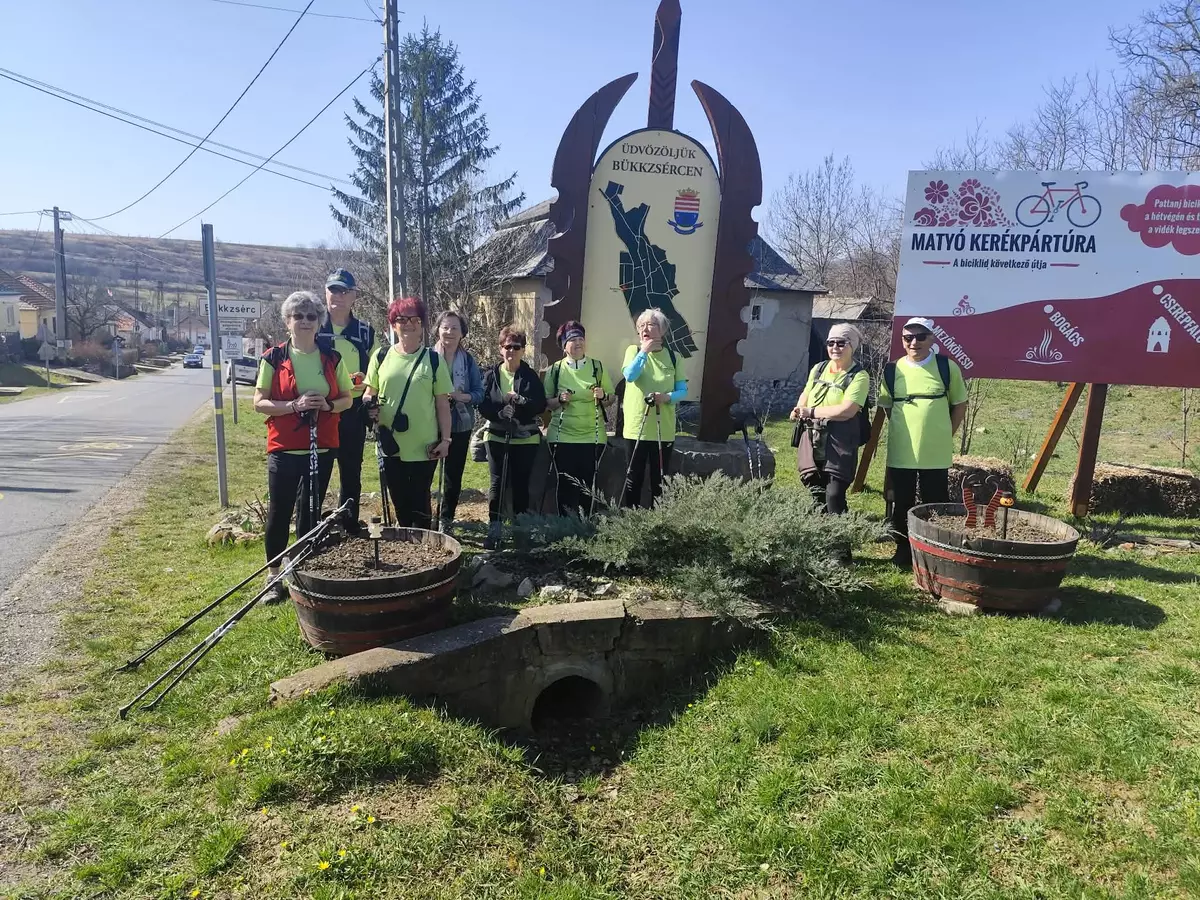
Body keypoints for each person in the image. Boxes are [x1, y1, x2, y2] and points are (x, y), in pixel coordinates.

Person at [253, 290, 353, 599]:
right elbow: (259, 402)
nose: (305, 321)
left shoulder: (332, 358)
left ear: (319, 322)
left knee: (310, 512)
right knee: (279, 512)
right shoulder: (273, 357)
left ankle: (301, 570)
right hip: (284, 447)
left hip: (320, 447)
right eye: (298, 316)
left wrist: (327, 405)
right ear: (287, 321)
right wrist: (293, 406)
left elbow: (347, 399)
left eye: (311, 316)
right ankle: (273, 577)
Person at [878, 316, 969, 568]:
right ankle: (903, 551)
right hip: (902, 450)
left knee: (936, 501)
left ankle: (935, 550)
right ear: (902, 340)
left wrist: (945, 433)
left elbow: (959, 404)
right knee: (902, 502)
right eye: (908, 338)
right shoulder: (892, 370)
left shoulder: (947, 367)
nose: (914, 342)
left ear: (932, 339)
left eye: (920, 337)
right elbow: (887, 406)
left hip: (935, 452)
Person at [362, 297, 453, 529]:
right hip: (390, 443)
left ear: (422, 325)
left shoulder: (434, 360)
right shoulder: (380, 356)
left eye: (415, 319)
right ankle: (405, 544)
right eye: (402, 319)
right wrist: (369, 404)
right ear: (393, 325)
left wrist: (446, 440)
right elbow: (369, 392)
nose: (409, 324)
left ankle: (424, 545)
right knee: (399, 501)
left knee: (420, 502)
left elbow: (442, 404)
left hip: (424, 445)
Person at [316, 268, 375, 534]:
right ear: (325, 292)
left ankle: (349, 526)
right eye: (333, 290)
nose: (338, 296)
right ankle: (310, 529)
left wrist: (367, 384)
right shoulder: (313, 326)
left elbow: (378, 369)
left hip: (353, 410)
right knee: (318, 471)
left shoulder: (365, 331)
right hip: (321, 411)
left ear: (354, 296)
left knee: (351, 472)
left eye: (344, 291)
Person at [791, 323, 870, 515]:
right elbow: (806, 393)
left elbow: (847, 410)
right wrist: (799, 409)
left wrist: (811, 412)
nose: (835, 347)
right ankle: (820, 530)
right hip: (812, 436)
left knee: (834, 493)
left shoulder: (859, 376)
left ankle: (839, 531)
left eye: (841, 343)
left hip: (839, 440)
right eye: (831, 342)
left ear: (852, 346)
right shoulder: (819, 368)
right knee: (815, 489)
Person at [479, 325, 547, 549]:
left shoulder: (530, 376)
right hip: (496, 436)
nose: (511, 351)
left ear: (523, 350)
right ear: (500, 349)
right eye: (507, 346)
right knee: (497, 484)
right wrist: (499, 412)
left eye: (516, 347)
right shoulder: (491, 375)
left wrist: (521, 400)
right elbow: (482, 403)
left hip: (525, 439)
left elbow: (540, 404)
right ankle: (494, 531)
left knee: (520, 485)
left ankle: (520, 533)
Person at [543, 320, 615, 517]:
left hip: (593, 436)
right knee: (565, 484)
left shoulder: (597, 367)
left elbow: (611, 398)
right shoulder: (555, 370)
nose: (578, 343)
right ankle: (565, 526)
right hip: (562, 436)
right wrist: (559, 399)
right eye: (572, 339)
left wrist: (603, 396)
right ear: (564, 345)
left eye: (581, 339)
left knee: (588, 485)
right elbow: (546, 403)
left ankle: (586, 527)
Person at [620, 308, 686, 508]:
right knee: (633, 479)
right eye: (641, 325)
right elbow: (630, 376)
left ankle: (657, 521)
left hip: (663, 430)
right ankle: (629, 520)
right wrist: (644, 352)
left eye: (651, 324)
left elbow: (682, 391)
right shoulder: (633, 351)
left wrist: (666, 397)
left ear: (662, 330)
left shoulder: (674, 357)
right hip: (636, 428)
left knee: (660, 482)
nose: (645, 329)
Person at [432, 310, 485, 533]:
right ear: (437, 330)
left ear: (462, 332)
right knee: (425, 473)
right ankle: (424, 517)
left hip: (461, 424)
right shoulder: (427, 357)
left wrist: (460, 396)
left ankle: (446, 520)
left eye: (455, 328)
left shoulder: (469, 360)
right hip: (430, 422)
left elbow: (479, 393)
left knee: (453, 476)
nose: (449, 332)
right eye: (445, 327)